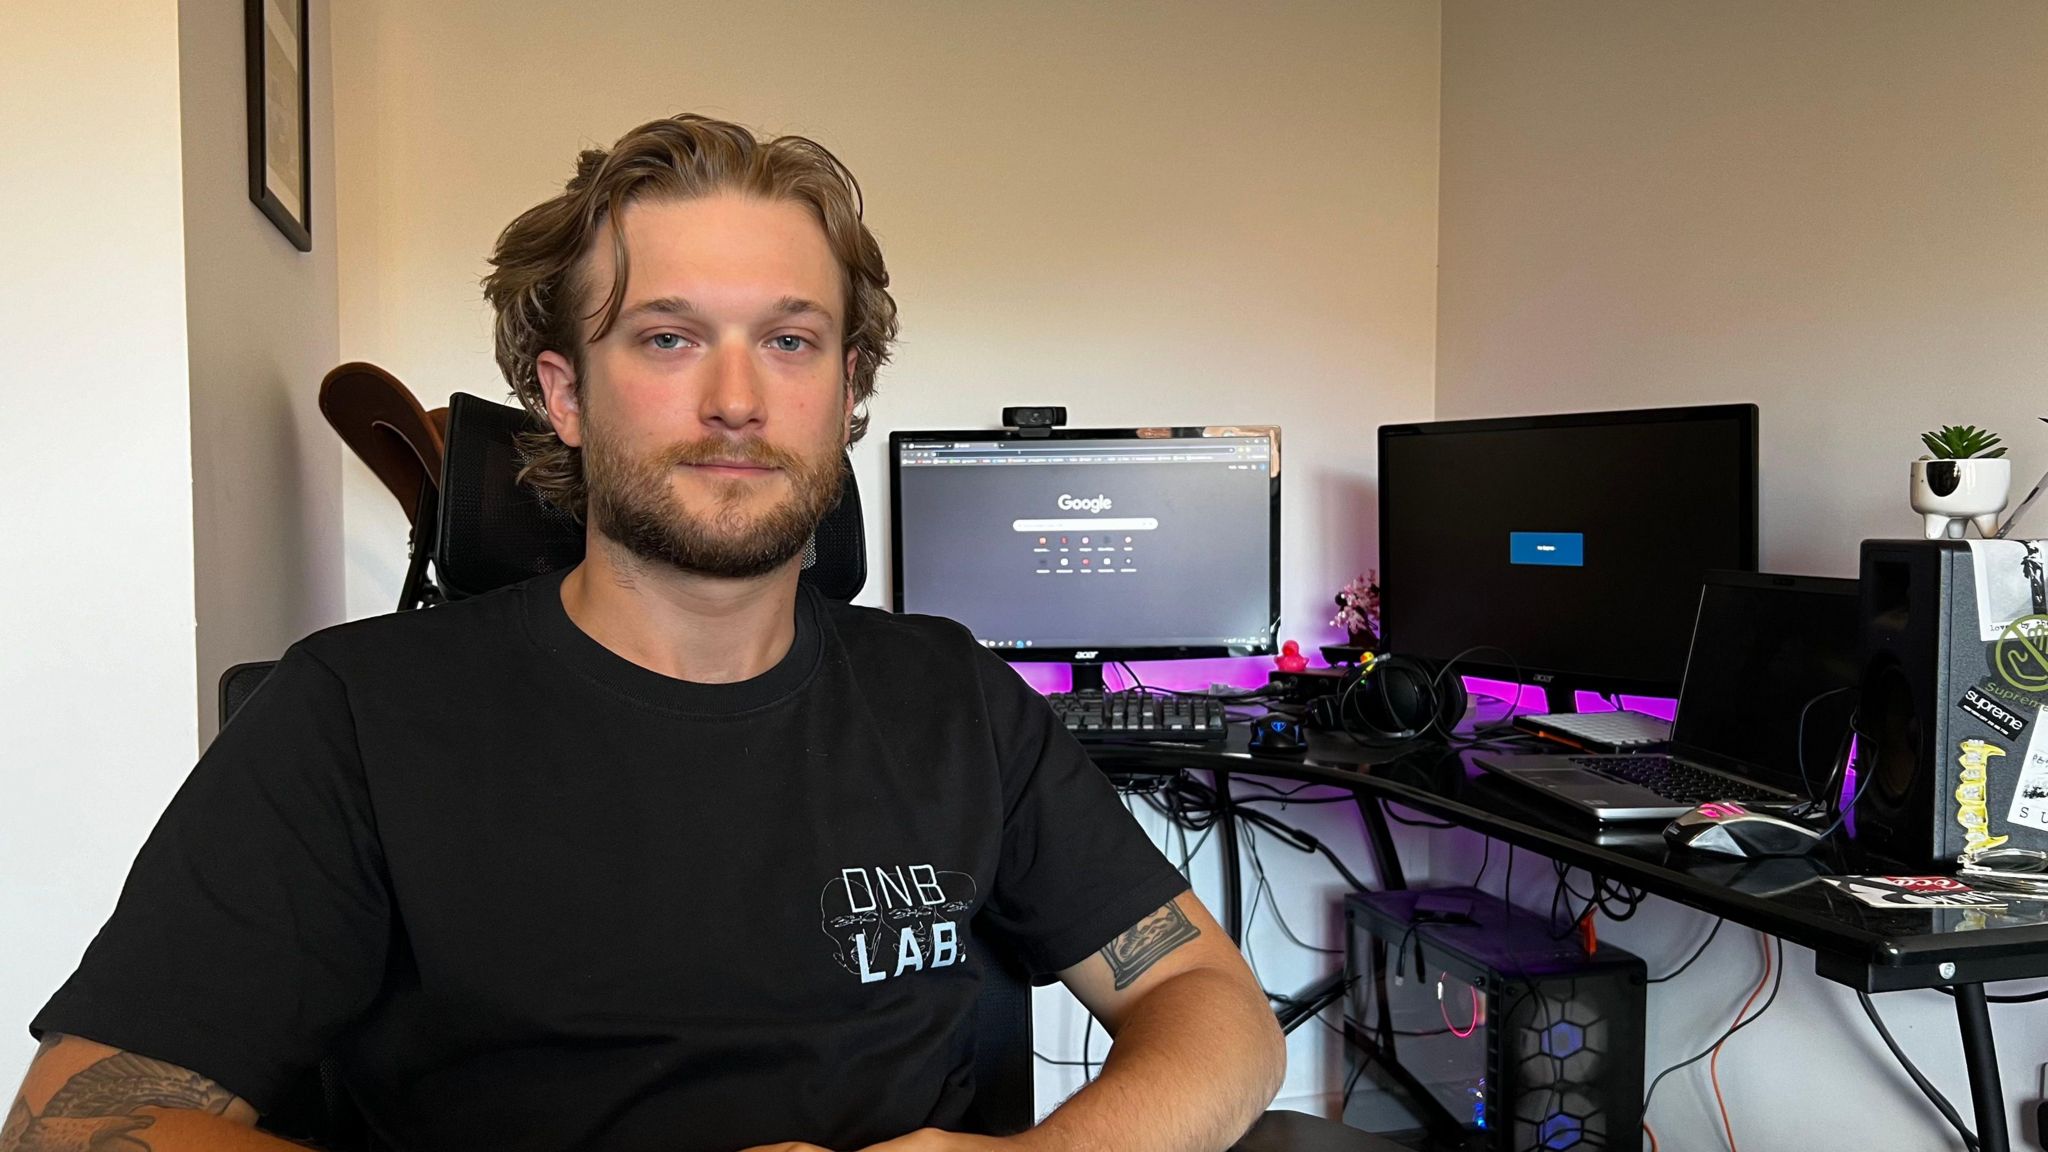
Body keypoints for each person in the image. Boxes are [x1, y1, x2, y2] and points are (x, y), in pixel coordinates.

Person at [5, 114, 1283, 1152]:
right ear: (562, 393)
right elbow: (77, 1118)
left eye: (790, 341)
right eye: (667, 338)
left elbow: (1209, 1005)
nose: (735, 401)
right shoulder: (356, 712)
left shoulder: (948, 695)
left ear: (846, 395)